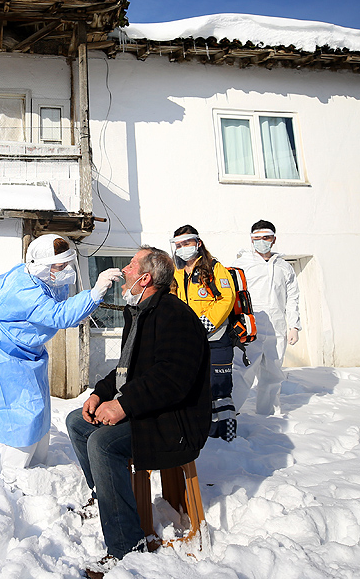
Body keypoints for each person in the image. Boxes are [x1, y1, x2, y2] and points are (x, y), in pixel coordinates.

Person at [65, 247, 210, 570]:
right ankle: (106, 496)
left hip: (175, 423)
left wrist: (123, 406)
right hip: (151, 411)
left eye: (130, 266)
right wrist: (100, 395)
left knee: (102, 444)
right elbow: (126, 369)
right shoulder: (141, 312)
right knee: (78, 421)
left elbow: (171, 380)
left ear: (145, 278)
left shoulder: (175, 317)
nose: (124, 270)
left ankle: (126, 549)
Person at [0, 234, 121, 470]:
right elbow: (59, 315)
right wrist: (95, 292)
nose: (63, 270)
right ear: (40, 264)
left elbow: (60, 309)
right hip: (4, 354)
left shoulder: (40, 279)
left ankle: (38, 466)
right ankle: (14, 473)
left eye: (65, 265)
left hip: (25, 352)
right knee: (23, 413)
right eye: (58, 266)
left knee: (39, 409)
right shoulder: (25, 291)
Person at [170, 225, 238, 440]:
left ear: (198, 243)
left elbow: (227, 298)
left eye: (186, 243)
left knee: (220, 390)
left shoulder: (215, 268)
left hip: (216, 340)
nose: (182, 248)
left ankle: (226, 436)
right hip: (188, 341)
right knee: (193, 388)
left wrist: (205, 324)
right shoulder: (177, 272)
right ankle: (201, 432)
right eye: (178, 245)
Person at [232, 220, 301, 416]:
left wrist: (294, 325)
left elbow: (292, 298)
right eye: (258, 238)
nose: (262, 241)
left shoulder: (284, 267)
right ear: (251, 240)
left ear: (274, 239)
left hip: (276, 328)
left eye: (266, 238)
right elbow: (232, 296)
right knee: (242, 371)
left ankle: (268, 413)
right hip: (249, 327)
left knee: (273, 373)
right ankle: (231, 411)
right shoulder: (241, 265)